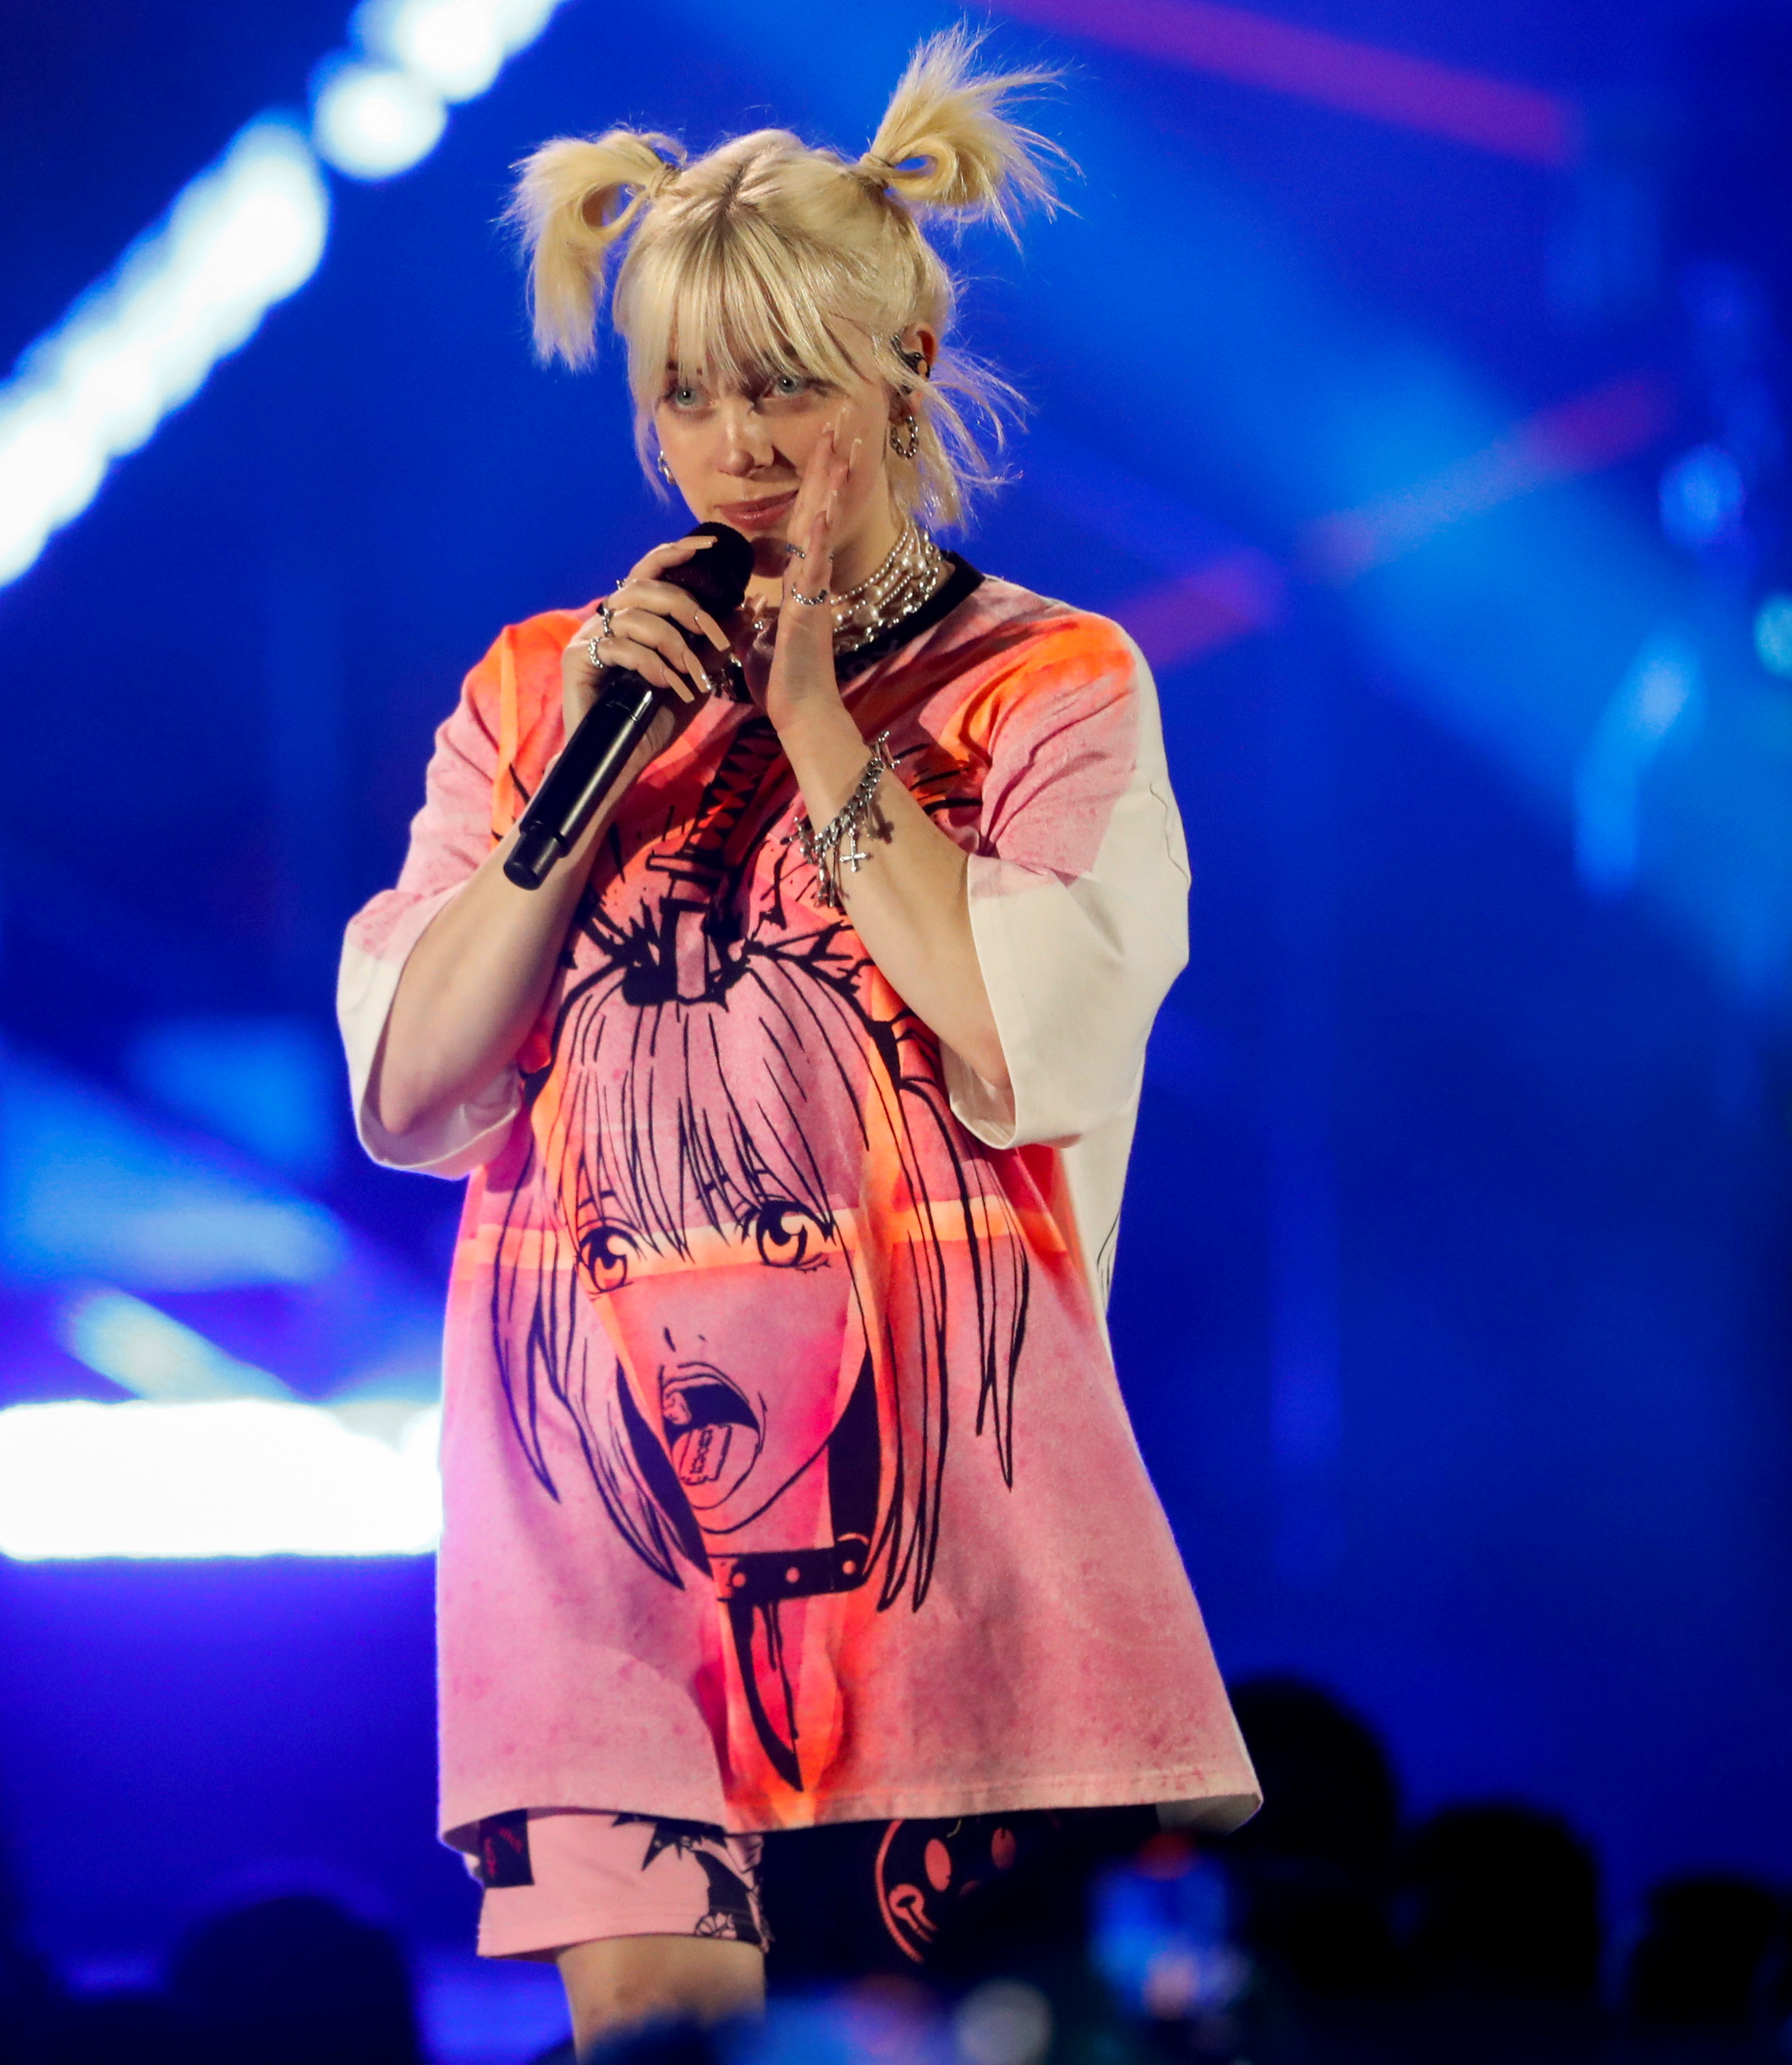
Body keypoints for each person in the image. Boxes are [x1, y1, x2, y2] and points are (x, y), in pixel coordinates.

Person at [337, 33, 1256, 2055]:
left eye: (783, 385)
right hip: (594, 1528)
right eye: (684, 391)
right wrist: (589, 779)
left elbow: (1019, 1040)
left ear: (906, 366)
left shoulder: (1050, 687)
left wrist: (826, 716)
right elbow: (410, 1099)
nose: (732, 445)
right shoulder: (532, 697)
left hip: (950, 1531)